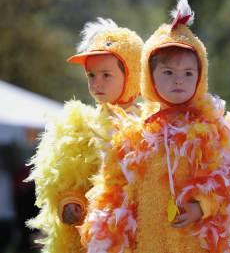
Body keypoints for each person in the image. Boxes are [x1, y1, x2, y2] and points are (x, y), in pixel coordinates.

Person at [80, 0, 230, 253]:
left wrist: (202, 204)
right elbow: (112, 194)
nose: (179, 81)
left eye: (188, 73)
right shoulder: (133, 135)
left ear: (201, 77)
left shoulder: (217, 129)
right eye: (168, 72)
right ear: (149, 76)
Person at [26, 18, 146, 253]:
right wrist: (71, 204)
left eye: (106, 75)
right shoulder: (81, 126)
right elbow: (69, 180)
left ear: (132, 74)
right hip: (93, 239)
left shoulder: (150, 126)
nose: (96, 83)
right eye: (91, 75)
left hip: (138, 237)